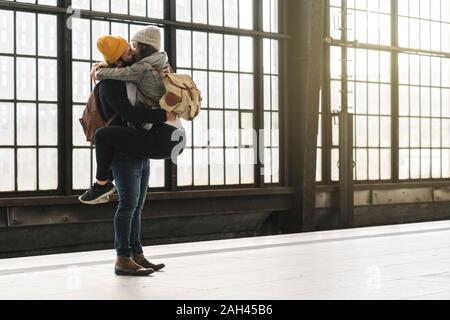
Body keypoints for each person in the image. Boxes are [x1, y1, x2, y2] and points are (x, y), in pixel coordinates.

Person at [79, 28, 183, 276]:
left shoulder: (125, 76)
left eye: (132, 47)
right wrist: (163, 115)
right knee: (127, 205)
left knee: (137, 206)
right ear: (118, 58)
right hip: (123, 151)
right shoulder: (111, 84)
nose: (131, 51)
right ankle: (123, 258)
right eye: (127, 50)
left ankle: (136, 253)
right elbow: (131, 114)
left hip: (137, 145)